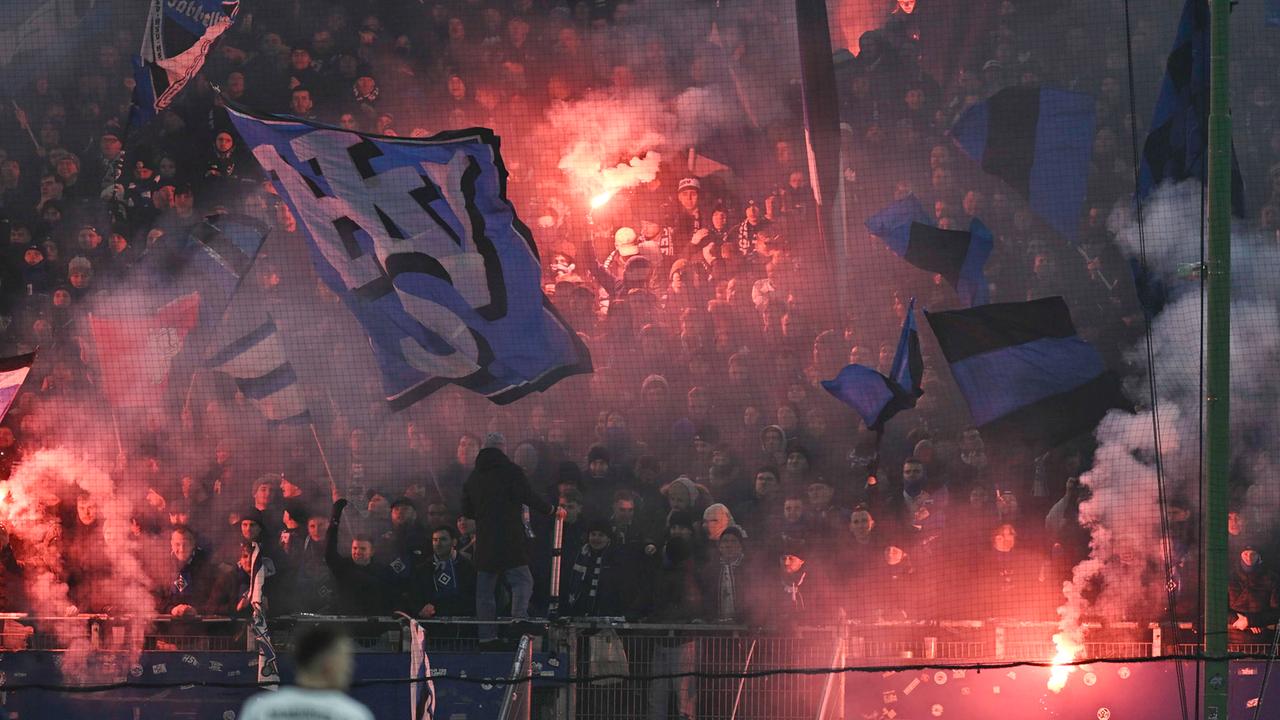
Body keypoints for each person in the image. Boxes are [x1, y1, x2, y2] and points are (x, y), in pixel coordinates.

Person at [462, 445, 565, 645]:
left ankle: (487, 636)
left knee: (485, 591)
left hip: (485, 542)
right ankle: (518, 617)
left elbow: (466, 509)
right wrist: (551, 510)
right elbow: (528, 495)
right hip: (510, 540)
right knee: (523, 580)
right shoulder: (511, 471)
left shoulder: (473, 478)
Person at [239, 625, 373, 720]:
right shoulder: (352, 715)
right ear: (328, 662)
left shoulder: (260, 709)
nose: (350, 666)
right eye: (345, 658)